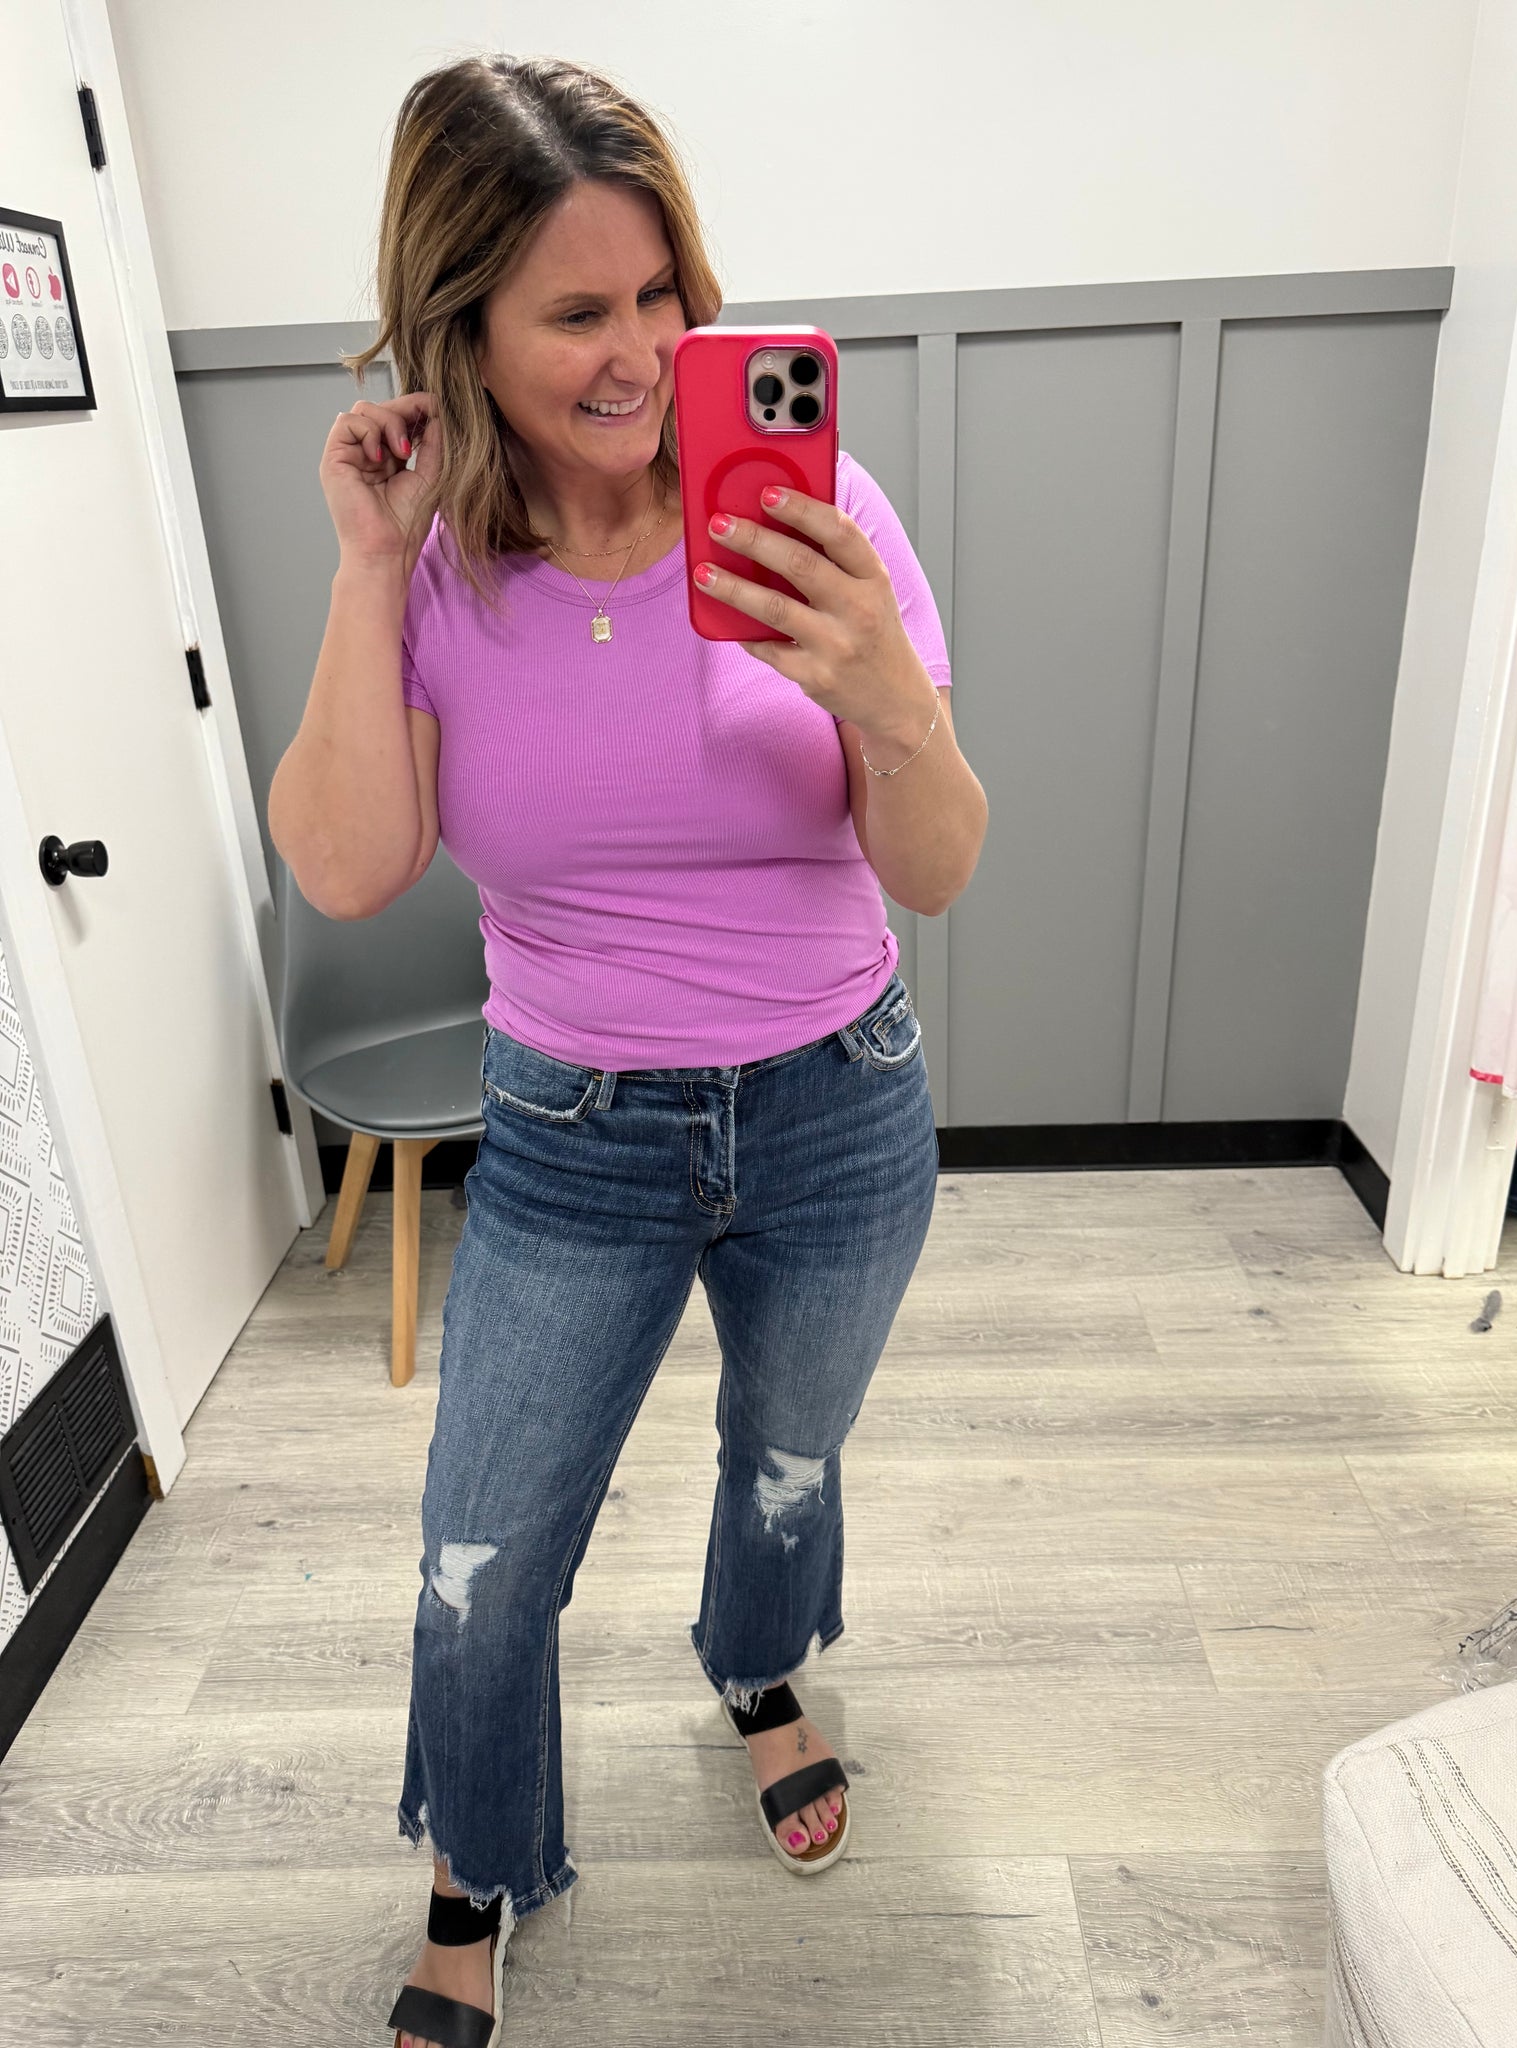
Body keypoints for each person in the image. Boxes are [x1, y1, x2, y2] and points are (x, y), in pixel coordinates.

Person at [268, 51, 987, 2048]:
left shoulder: (819, 512)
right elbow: (348, 867)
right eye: (577, 311)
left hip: (840, 1104)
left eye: (663, 292)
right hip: (573, 1131)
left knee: (787, 1453)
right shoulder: (436, 574)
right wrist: (367, 564)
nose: (642, 352)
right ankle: (477, 1862)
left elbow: (936, 865)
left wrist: (886, 697)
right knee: (480, 1553)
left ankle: (756, 1669)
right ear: (464, 332)